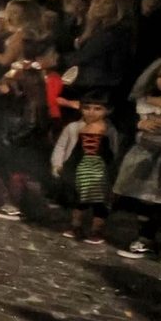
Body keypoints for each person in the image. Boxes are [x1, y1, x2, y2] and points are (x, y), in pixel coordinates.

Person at [111, 58, 161, 264]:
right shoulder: (147, 102)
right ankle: (145, 240)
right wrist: (141, 124)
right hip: (147, 158)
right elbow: (130, 120)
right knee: (146, 200)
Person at [0, 39, 54, 221]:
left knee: (17, 174)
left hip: (25, 139)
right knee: (23, 173)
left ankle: (13, 205)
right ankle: (28, 206)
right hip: (30, 137)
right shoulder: (34, 78)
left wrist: (13, 137)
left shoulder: (29, 81)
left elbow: (31, 121)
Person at [53, 91, 120, 245]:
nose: (91, 112)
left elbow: (112, 153)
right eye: (87, 108)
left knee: (100, 202)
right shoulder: (76, 127)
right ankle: (75, 226)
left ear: (107, 110)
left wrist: (113, 175)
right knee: (80, 200)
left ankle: (97, 231)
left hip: (100, 170)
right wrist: (62, 165)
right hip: (83, 168)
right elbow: (73, 150)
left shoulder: (109, 131)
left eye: (97, 109)